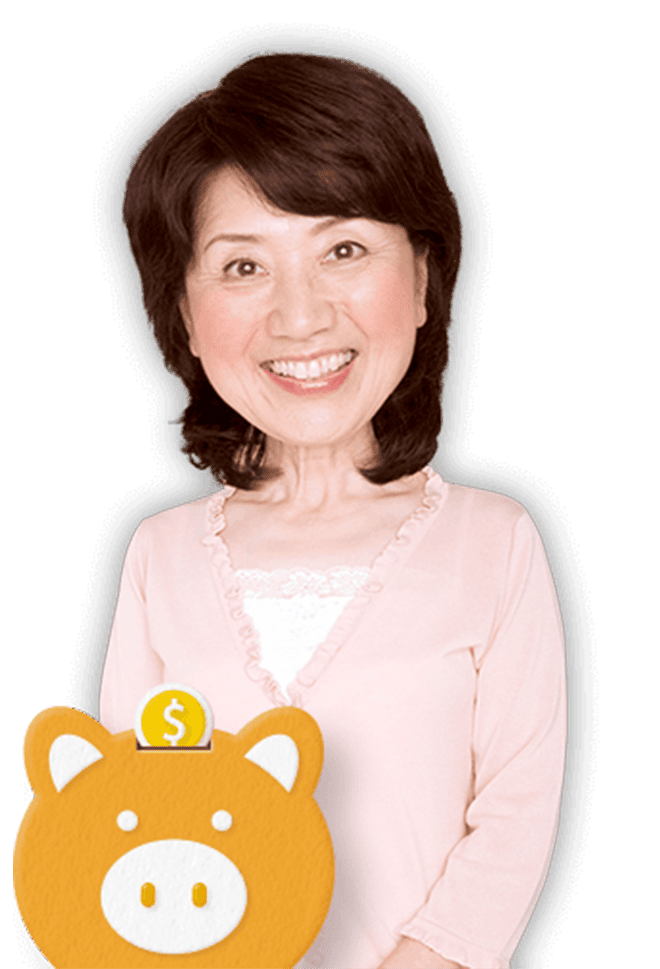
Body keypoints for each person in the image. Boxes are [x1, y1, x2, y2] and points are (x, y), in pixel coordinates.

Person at [99, 52, 566, 969]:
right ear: (183, 314)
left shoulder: (495, 540)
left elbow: (517, 813)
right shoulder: (159, 554)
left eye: (343, 250)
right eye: (243, 266)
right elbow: (127, 820)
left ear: (423, 278)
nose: (301, 317)